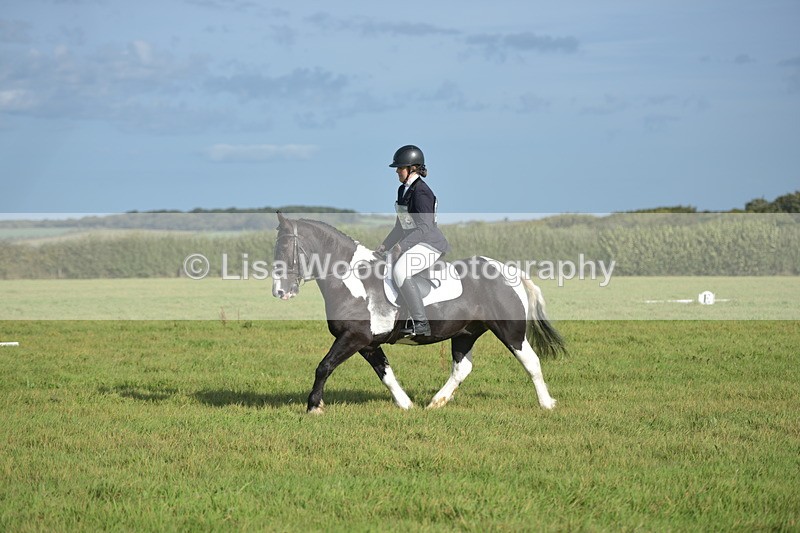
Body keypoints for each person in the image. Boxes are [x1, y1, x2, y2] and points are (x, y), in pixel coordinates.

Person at [377, 145, 450, 337]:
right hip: (414, 241)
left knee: (401, 271)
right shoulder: (403, 190)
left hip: (429, 244)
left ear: (412, 169)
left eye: (400, 168)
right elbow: (400, 226)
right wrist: (385, 246)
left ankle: (421, 323)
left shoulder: (422, 192)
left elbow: (424, 227)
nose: (396, 171)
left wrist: (402, 246)